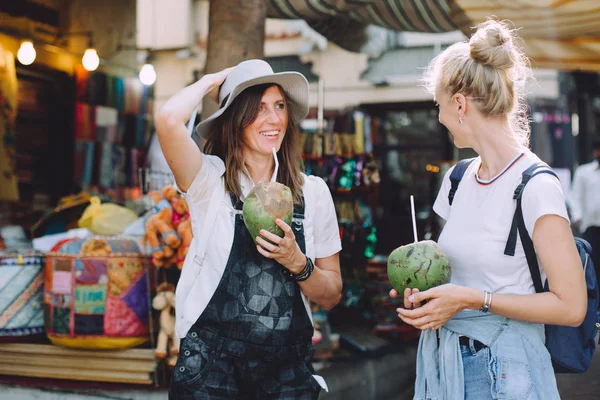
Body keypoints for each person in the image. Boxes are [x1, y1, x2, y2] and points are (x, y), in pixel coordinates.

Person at [390, 19, 587, 399]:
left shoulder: (536, 187)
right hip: (447, 367)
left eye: (440, 106)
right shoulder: (457, 180)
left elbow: (571, 306)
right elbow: (458, 272)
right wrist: (428, 298)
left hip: (507, 373)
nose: (440, 117)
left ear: (460, 104)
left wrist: (472, 299)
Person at [155, 59, 342, 399]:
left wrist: (298, 263)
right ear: (235, 120)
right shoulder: (209, 183)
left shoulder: (312, 193)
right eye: (258, 108)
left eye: (280, 106)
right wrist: (214, 81)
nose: (273, 119)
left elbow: (331, 295)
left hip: (285, 371)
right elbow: (168, 120)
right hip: (211, 367)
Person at [571, 138, 600, 282]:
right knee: (594, 264)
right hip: (591, 226)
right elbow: (575, 195)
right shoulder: (584, 172)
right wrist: (577, 217)